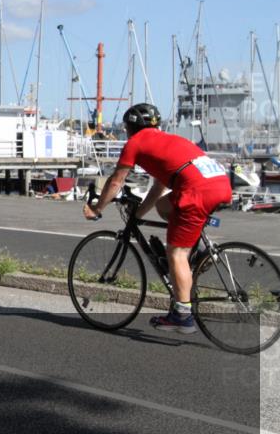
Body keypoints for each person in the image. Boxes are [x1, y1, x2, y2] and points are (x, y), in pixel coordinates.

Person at [83, 103, 233, 333]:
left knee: (176, 253)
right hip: (218, 184)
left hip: (196, 191)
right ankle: (198, 253)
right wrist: (138, 214)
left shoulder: (135, 143)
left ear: (131, 127)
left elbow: (116, 181)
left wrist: (97, 209)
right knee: (164, 205)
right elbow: (159, 188)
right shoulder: (167, 140)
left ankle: (182, 316)